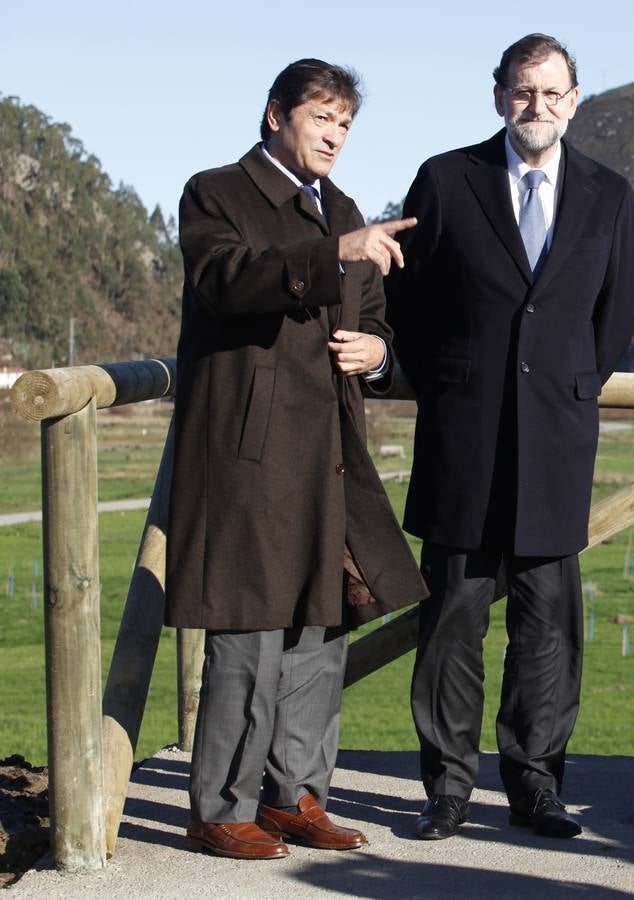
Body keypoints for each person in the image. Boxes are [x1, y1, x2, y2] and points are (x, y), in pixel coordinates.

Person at [165, 58, 427, 860]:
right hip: (248, 455)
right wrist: (332, 253)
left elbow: (378, 317)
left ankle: (296, 797)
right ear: (276, 115)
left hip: (331, 454)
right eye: (322, 117)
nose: (336, 135)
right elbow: (227, 281)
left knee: (324, 626)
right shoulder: (216, 193)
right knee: (247, 632)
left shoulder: (343, 209)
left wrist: (374, 354)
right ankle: (221, 807)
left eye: (346, 123)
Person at [385, 33, 634, 840]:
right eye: (524, 92)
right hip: (465, 438)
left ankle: (536, 785)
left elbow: (616, 318)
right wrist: (459, 383)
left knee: (548, 627)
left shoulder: (609, 193)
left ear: (575, 100)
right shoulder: (446, 179)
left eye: (553, 93)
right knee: (452, 623)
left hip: (558, 441)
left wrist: (563, 387)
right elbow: (410, 310)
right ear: (500, 96)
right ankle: (448, 790)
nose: (538, 107)